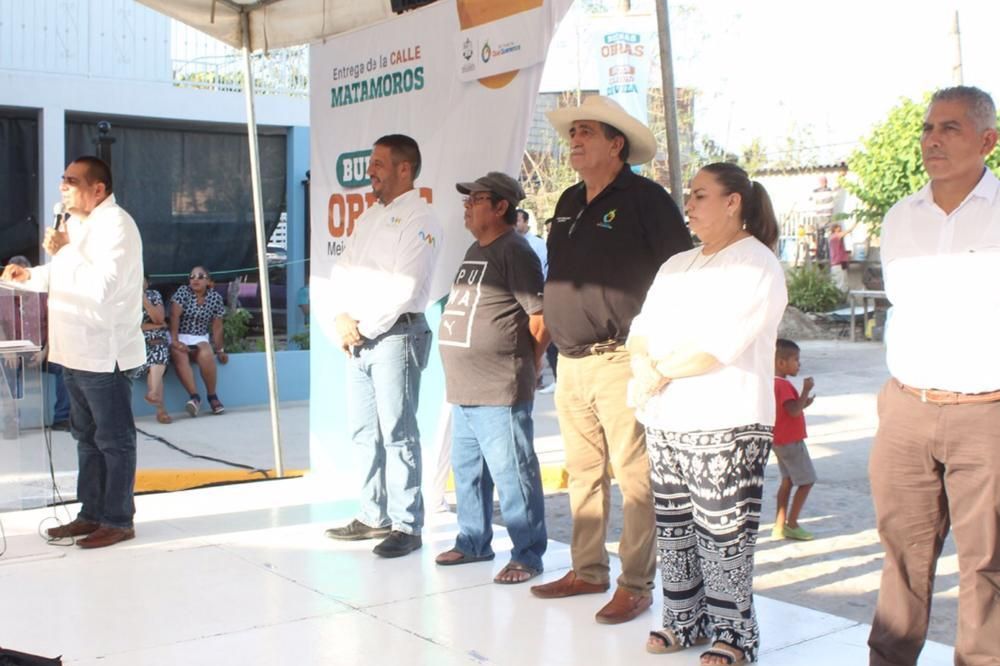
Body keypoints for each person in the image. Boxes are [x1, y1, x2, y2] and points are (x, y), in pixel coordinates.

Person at [530, 95, 692, 625]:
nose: (573, 140)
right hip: (570, 362)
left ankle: (636, 584)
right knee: (582, 474)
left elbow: (679, 273)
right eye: (572, 132)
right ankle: (587, 570)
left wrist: (658, 352)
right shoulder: (568, 199)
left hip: (622, 356)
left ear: (616, 144)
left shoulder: (647, 200)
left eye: (586, 132)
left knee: (634, 477)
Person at [627, 162, 786, 664]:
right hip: (666, 417)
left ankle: (735, 635)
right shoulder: (678, 264)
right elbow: (640, 329)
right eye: (690, 195)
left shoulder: (756, 263)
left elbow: (720, 345)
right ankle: (683, 619)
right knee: (675, 529)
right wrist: (644, 365)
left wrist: (657, 373)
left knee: (723, 535)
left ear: (733, 202)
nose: (689, 205)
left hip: (726, 421)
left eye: (700, 195)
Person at [868, 86, 1000, 666]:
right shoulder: (901, 218)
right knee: (901, 557)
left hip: (987, 412)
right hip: (907, 409)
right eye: (927, 128)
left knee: (986, 564)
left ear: (987, 140)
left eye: (950, 128)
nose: (932, 139)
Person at [1, 155, 145, 549]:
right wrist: (28, 276)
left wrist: (65, 250)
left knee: (114, 441)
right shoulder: (76, 224)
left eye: (72, 180)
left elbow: (103, 287)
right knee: (86, 438)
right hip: (73, 350)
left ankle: (118, 520)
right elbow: (64, 275)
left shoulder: (118, 226)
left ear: (98, 189)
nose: (63, 186)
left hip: (104, 353)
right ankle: (91, 513)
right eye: (63, 179)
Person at [323, 134, 442, 559]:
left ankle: (407, 525)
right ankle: (374, 515)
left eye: (378, 163)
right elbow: (342, 269)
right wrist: (341, 319)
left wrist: (362, 328)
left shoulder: (421, 218)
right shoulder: (370, 216)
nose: (370, 171)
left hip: (396, 335)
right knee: (363, 432)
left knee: (398, 432)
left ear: (404, 169)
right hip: (359, 338)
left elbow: (405, 288)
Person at [436, 172, 548, 584]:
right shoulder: (476, 248)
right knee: (468, 471)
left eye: (476, 199)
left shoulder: (515, 251)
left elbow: (540, 317)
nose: (467, 206)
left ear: (501, 207)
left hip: (499, 386)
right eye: (466, 200)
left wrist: (530, 363)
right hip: (465, 387)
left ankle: (527, 554)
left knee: (513, 474)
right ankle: (473, 541)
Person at [772, 338, 817, 541]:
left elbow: (789, 408)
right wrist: (805, 390)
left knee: (788, 480)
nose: (799, 364)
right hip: (791, 441)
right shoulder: (782, 385)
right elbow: (793, 411)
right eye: (796, 360)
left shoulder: (773, 383)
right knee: (807, 481)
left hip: (780, 440)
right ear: (781, 363)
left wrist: (803, 402)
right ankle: (792, 524)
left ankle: (779, 525)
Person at [169, 266, 228, 417]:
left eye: (200, 276)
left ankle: (212, 397)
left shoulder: (215, 298)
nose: (195, 279)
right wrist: (175, 340)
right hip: (180, 334)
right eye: (192, 276)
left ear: (209, 282)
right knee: (179, 354)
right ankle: (194, 398)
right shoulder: (183, 292)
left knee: (206, 353)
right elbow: (174, 316)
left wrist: (220, 350)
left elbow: (217, 326)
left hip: (199, 336)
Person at [515, 208, 556, 392]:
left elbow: (545, 269)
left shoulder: (537, 244)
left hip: (537, 297)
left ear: (526, 222)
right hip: (517, 299)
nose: (516, 224)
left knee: (539, 338)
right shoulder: (510, 244)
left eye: (518, 220)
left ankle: (537, 376)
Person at [140, 277, 171, 424]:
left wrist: (143, 299)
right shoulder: (124, 297)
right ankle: (160, 408)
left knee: (157, 352)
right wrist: (155, 326)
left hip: (156, 342)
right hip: (134, 344)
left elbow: (159, 318)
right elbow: (130, 326)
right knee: (156, 355)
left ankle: (154, 395)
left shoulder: (153, 295)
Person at [826, 219, 858, 291]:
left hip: (837, 263)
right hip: (839, 263)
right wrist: (855, 223)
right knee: (842, 283)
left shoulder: (831, 237)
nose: (840, 229)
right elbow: (848, 231)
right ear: (835, 229)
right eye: (838, 228)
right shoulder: (836, 236)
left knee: (839, 282)